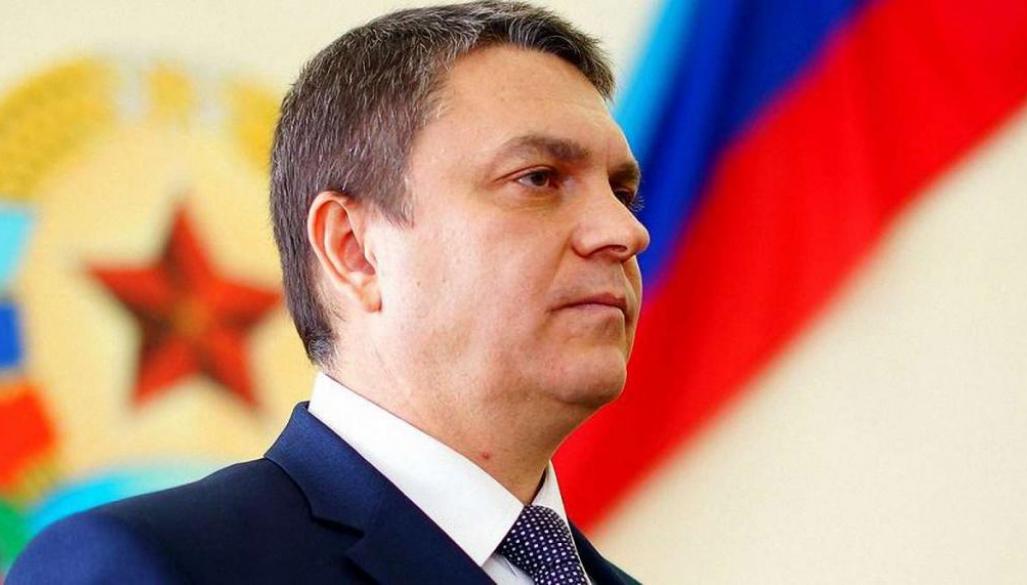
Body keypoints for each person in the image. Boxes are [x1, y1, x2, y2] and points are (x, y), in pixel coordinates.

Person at [9, 1, 649, 583]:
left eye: (622, 193)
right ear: (353, 249)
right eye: (538, 178)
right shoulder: (143, 565)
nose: (626, 232)